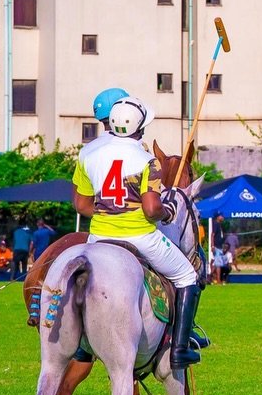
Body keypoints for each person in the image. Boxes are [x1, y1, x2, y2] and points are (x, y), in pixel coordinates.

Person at [72, 94, 201, 369]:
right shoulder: (146, 160)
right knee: (188, 276)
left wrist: (109, 212)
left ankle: (83, 346)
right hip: (140, 237)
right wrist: (167, 212)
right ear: (139, 128)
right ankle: (180, 349)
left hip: (97, 238)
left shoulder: (87, 153)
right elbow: (152, 209)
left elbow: (81, 204)